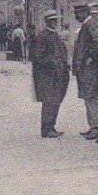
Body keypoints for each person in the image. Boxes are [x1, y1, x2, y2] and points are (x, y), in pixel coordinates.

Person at [72, 4, 98, 140]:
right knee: (88, 97)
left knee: (92, 97)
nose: (75, 16)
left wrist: (90, 58)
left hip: (91, 70)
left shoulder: (90, 24)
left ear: (84, 12)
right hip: (86, 70)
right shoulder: (87, 24)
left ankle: (97, 128)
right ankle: (93, 126)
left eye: (77, 13)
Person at [31, 10, 71, 138]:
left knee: (56, 101)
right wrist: (51, 62)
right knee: (49, 102)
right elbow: (38, 57)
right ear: (47, 22)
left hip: (58, 75)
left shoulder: (55, 35)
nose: (54, 23)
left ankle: (51, 127)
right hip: (47, 76)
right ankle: (46, 129)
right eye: (52, 21)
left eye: (55, 21)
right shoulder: (43, 36)